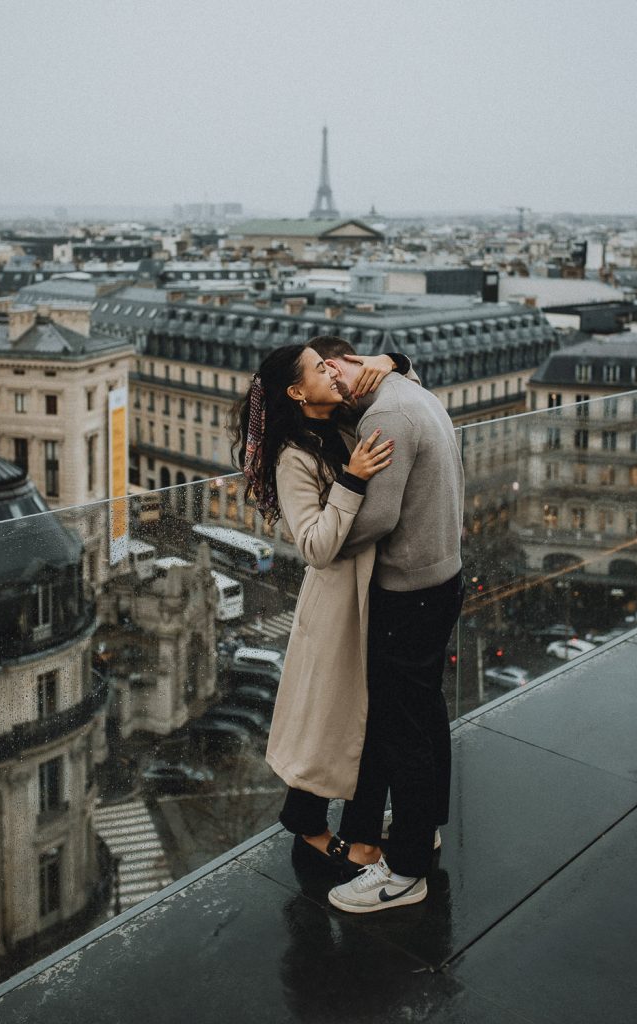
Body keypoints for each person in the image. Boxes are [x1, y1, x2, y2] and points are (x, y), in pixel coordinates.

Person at [231, 343, 406, 874]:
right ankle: (317, 827)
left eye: (330, 362)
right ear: (296, 392)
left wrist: (394, 362)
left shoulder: (343, 420)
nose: (332, 369)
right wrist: (351, 481)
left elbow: (404, 380)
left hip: (370, 592)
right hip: (335, 605)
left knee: (347, 719)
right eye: (318, 367)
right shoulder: (294, 457)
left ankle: (320, 821)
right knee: (337, 720)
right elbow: (313, 546)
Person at [311, 336, 465, 913]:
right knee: (424, 712)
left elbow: (377, 516)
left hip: (409, 592)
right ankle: (423, 828)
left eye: (326, 381)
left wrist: (326, 537)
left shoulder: (387, 415)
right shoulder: (408, 389)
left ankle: (404, 875)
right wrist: (393, 360)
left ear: (336, 364)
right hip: (442, 578)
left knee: (401, 727)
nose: (328, 398)